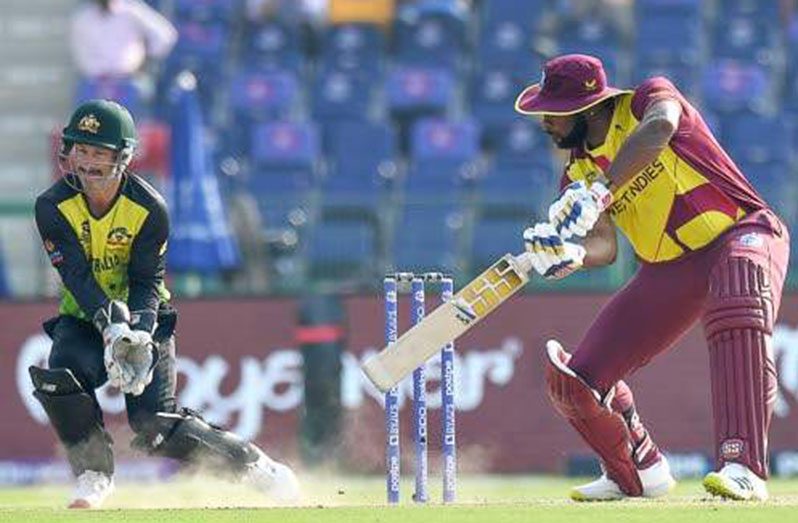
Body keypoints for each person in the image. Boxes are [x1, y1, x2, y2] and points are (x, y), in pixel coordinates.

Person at [516, 54, 790, 502]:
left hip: (742, 232)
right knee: (577, 381)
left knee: (739, 289)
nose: (545, 122)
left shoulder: (647, 100)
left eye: (553, 112)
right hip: (670, 271)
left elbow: (661, 128)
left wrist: (603, 193)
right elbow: (603, 249)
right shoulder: (577, 171)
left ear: (586, 108)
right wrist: (568, 255)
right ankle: (639, 470)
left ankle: (743, 466)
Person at [33, 99, 300, 509]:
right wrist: (110, 325)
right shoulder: (52, 207)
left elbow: (146, 281)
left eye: (98, 153)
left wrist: (136, 331)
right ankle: (93, 474)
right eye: (80, 150)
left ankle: (256, 467)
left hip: (145, 320)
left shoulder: (148, 208)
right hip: (84, 318)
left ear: (122, 157)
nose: (86, 164)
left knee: (155, 428)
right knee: (59, 379)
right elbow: (77, 278)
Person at [70, 0, 177, 79]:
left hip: (129, 80)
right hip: (96, 82)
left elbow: (165, 35)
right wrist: (96, 71)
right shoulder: (83, 18)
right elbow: (81, 51)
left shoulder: (132, 11)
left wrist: (147, 59)